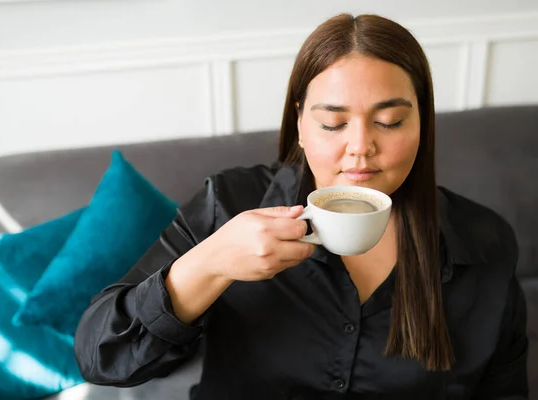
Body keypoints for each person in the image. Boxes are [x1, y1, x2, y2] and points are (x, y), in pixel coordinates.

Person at [73, 13, 528, 399]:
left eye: (389, 121)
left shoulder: (482, 244)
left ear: (422, 124)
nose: (360, 147)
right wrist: (209, 263)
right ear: (300, 124)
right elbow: (101, 357)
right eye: (333, 123)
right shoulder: (230, 203)